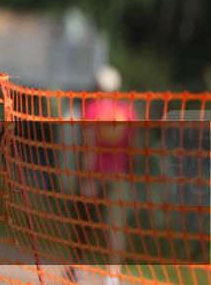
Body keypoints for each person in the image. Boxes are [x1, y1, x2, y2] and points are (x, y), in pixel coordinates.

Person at [66, 65, 137, 285]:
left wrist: (87, 179)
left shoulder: (92, 109)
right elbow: (134, 148)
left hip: (94, 176)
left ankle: (75, 270)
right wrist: (132, 179)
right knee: (115, 229)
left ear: (98, 86)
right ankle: (112, 276)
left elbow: (89, 147)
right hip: (119, 177)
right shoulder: (128, 112)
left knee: (83, 226)